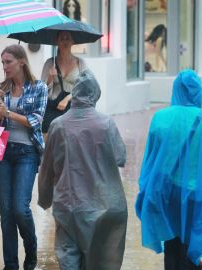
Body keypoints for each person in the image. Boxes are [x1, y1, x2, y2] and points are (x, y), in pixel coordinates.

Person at [135, 69, 202, 270]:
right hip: (200, 196)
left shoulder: (160, 118)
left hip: (169, 193)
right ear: (198, 92)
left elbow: (151, 158)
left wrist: (145, 189)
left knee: (172, 244)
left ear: (175, 90)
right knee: (196, 247)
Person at [38, 70, 127, 270]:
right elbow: (121, 158)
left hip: (67, 206)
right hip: (103, 207)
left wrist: (44, 199)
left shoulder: (57, 125)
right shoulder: (106, 124)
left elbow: (47, 167)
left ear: (75, 94)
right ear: (95, 94)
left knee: (68, 258)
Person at [0, 44, 47, 270]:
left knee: (20, 209)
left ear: (22, 61)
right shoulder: (1, 88)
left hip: (27, 153)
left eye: (8, 62)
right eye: (2, 62)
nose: (4, 67)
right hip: (2, 153)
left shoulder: (38, 87)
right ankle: (10, 265)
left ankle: (31, 249)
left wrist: (9, 113)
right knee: (5, 212)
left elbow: (36, 120)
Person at [41, 31, 87, 136]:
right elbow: (41, 90)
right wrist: (50, 78)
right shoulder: (50, 63)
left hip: (75, 109)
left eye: (67, 38)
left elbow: (86, 86)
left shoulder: (81, 63)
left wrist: (67, 98)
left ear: (72, 41)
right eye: (61, 38)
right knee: (52, 141)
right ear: (57, 41)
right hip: (53, 110)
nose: (65, 41)